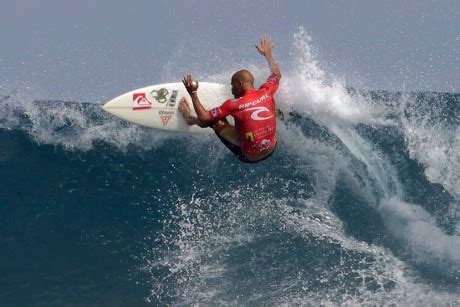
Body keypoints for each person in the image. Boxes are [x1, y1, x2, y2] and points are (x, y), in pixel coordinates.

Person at [179, 35, 282, 163]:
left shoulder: (233, 105)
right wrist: (268, 54)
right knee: (273, 107)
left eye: (233, 86)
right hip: (271, 148)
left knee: (215, 121)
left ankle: (189, 119)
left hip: (249, 156)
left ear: (239, 83)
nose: (232, 90)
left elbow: (204, 118)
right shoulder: (267, 91)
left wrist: (193, 92)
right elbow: (276, 74)